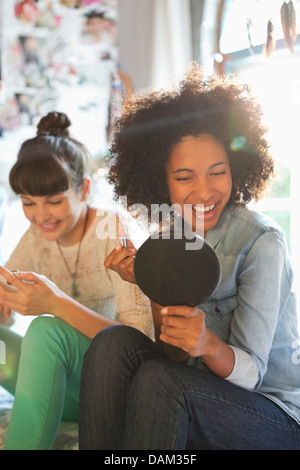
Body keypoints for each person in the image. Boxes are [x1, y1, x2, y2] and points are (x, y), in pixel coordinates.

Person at [79, 63, 300, 450]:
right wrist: (150, 283)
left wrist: (210, 344)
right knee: (113, 344)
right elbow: (176, 357)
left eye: (218, 172)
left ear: (238, 169)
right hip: (201, 394)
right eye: (184, 178)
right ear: (160, 179)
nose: (204, 192)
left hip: (272, 414)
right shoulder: (170, 237)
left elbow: (250, 375)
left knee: (160, 381)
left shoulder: (262, 242)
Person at [0, 111, 152, 450]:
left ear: (83, 189)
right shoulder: (36, 235)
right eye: (28, 203)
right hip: (73, 394)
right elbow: (6, 308)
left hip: (116, 387)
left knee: (46, 330)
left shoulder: (110, 229)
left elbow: (138, 344)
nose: (40, 215)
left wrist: (55, 303)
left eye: (54, 201)